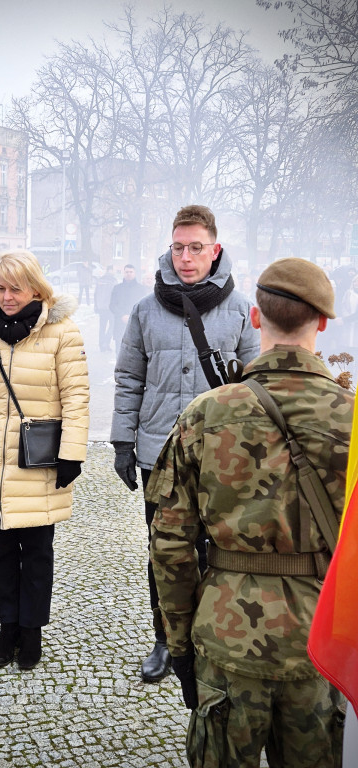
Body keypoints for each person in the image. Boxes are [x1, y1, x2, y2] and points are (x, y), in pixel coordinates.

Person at [147, 258, 352, 767]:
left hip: (226, 636)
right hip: (322, 641)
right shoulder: (352, 416)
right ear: (323, 322)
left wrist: (178, 645)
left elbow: (170, 543)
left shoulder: (205, 413)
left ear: (256, 318)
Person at [110, 205, 259, 683]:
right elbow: (129, 376)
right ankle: (164, 639)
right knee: (166, 554)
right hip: (160, 455)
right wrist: (121, 440)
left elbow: (258, 384)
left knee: (218, 554)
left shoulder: (239, 308)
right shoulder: (144, 308)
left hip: (223, 459)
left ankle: (212, 637)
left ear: (214, 250)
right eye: (179, 247)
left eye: (197, 248)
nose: (186, 257)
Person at [0, 250, 89, 670]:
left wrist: (71, 455)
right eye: (0, 288)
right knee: (0, 552)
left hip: (39, 460)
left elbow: (77, 399)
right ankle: (7, 626)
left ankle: (32, 630)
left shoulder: (62, 332)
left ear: (35, 288)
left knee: (38, 553)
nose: (7, 297)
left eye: (15, 288)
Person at [109, 264, 147, 348]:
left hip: (136, 324)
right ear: (123, 273)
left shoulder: (141, 289)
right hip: (120, 323)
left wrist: (132, 316)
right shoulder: (117, 288)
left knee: (135, 355)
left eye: (131, 272)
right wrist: (122, 315)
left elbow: (144, 306)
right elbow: (112, 305)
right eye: (127, 272)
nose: (129, 274)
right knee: (119, 351)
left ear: (135, 273)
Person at [94, 265, 117, 351]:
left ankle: (101, 345)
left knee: (102, 326)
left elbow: (95, 293)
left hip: (101, 307)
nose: (115, 272)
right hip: (110, 307)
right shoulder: (114, 281)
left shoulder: (100, 280)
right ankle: (106, 343)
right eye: (114, 270)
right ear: (110, 270)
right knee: (112, 325)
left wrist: (96, 306)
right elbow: (115, 294)